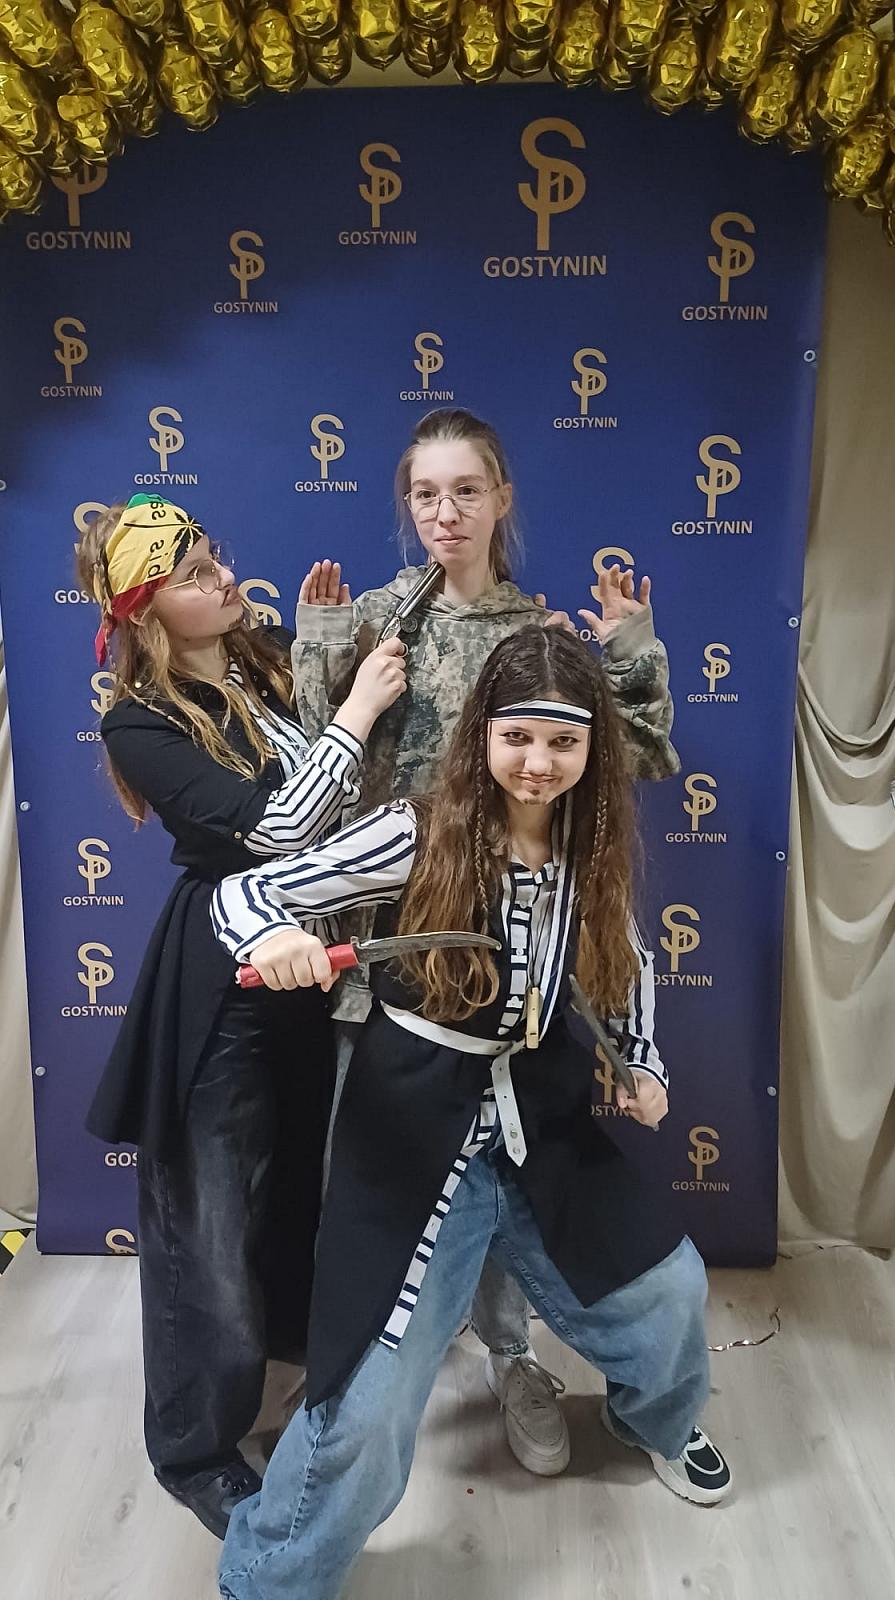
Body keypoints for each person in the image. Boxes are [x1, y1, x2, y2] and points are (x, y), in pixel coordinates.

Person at [210, 625, 732, 1600]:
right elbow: (249, 890)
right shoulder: (414, 831)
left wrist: (640, 1062)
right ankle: (268, 1576)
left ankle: (650, 1419)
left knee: (670, 1293)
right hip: (411, 1131)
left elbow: (623, 964)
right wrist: (274, 937)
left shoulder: (590, 848)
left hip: (544, 1121)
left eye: (563, 743)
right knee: (364, 1404)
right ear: (483, 733)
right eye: (518, 737)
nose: (538, 764)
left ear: (592, 748)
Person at [293, 406, 680, 1476]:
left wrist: (630, 653)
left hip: (507, 958)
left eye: (467, 490)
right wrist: (326, 653)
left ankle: (514, 1358)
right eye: (425, 494)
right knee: (375, 1183)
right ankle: (356, 1396)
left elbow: (638, 755)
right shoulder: (377, 619)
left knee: (510, 1172)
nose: (446, 513)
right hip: (389, 954)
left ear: (502, 499)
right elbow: (313, 769)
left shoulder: (536, 633)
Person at [77, 493, 406, 1538]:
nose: (222, 576)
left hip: (310, 974)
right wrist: (356, 711)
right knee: (206, 1228)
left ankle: (283, 1370)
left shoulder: (264, 664)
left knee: (292, 1191)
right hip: (219, 979)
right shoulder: (136, 722)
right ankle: (194, 1449)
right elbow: (279, 827)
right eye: (190, 574)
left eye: (214, 555)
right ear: (145, 612)